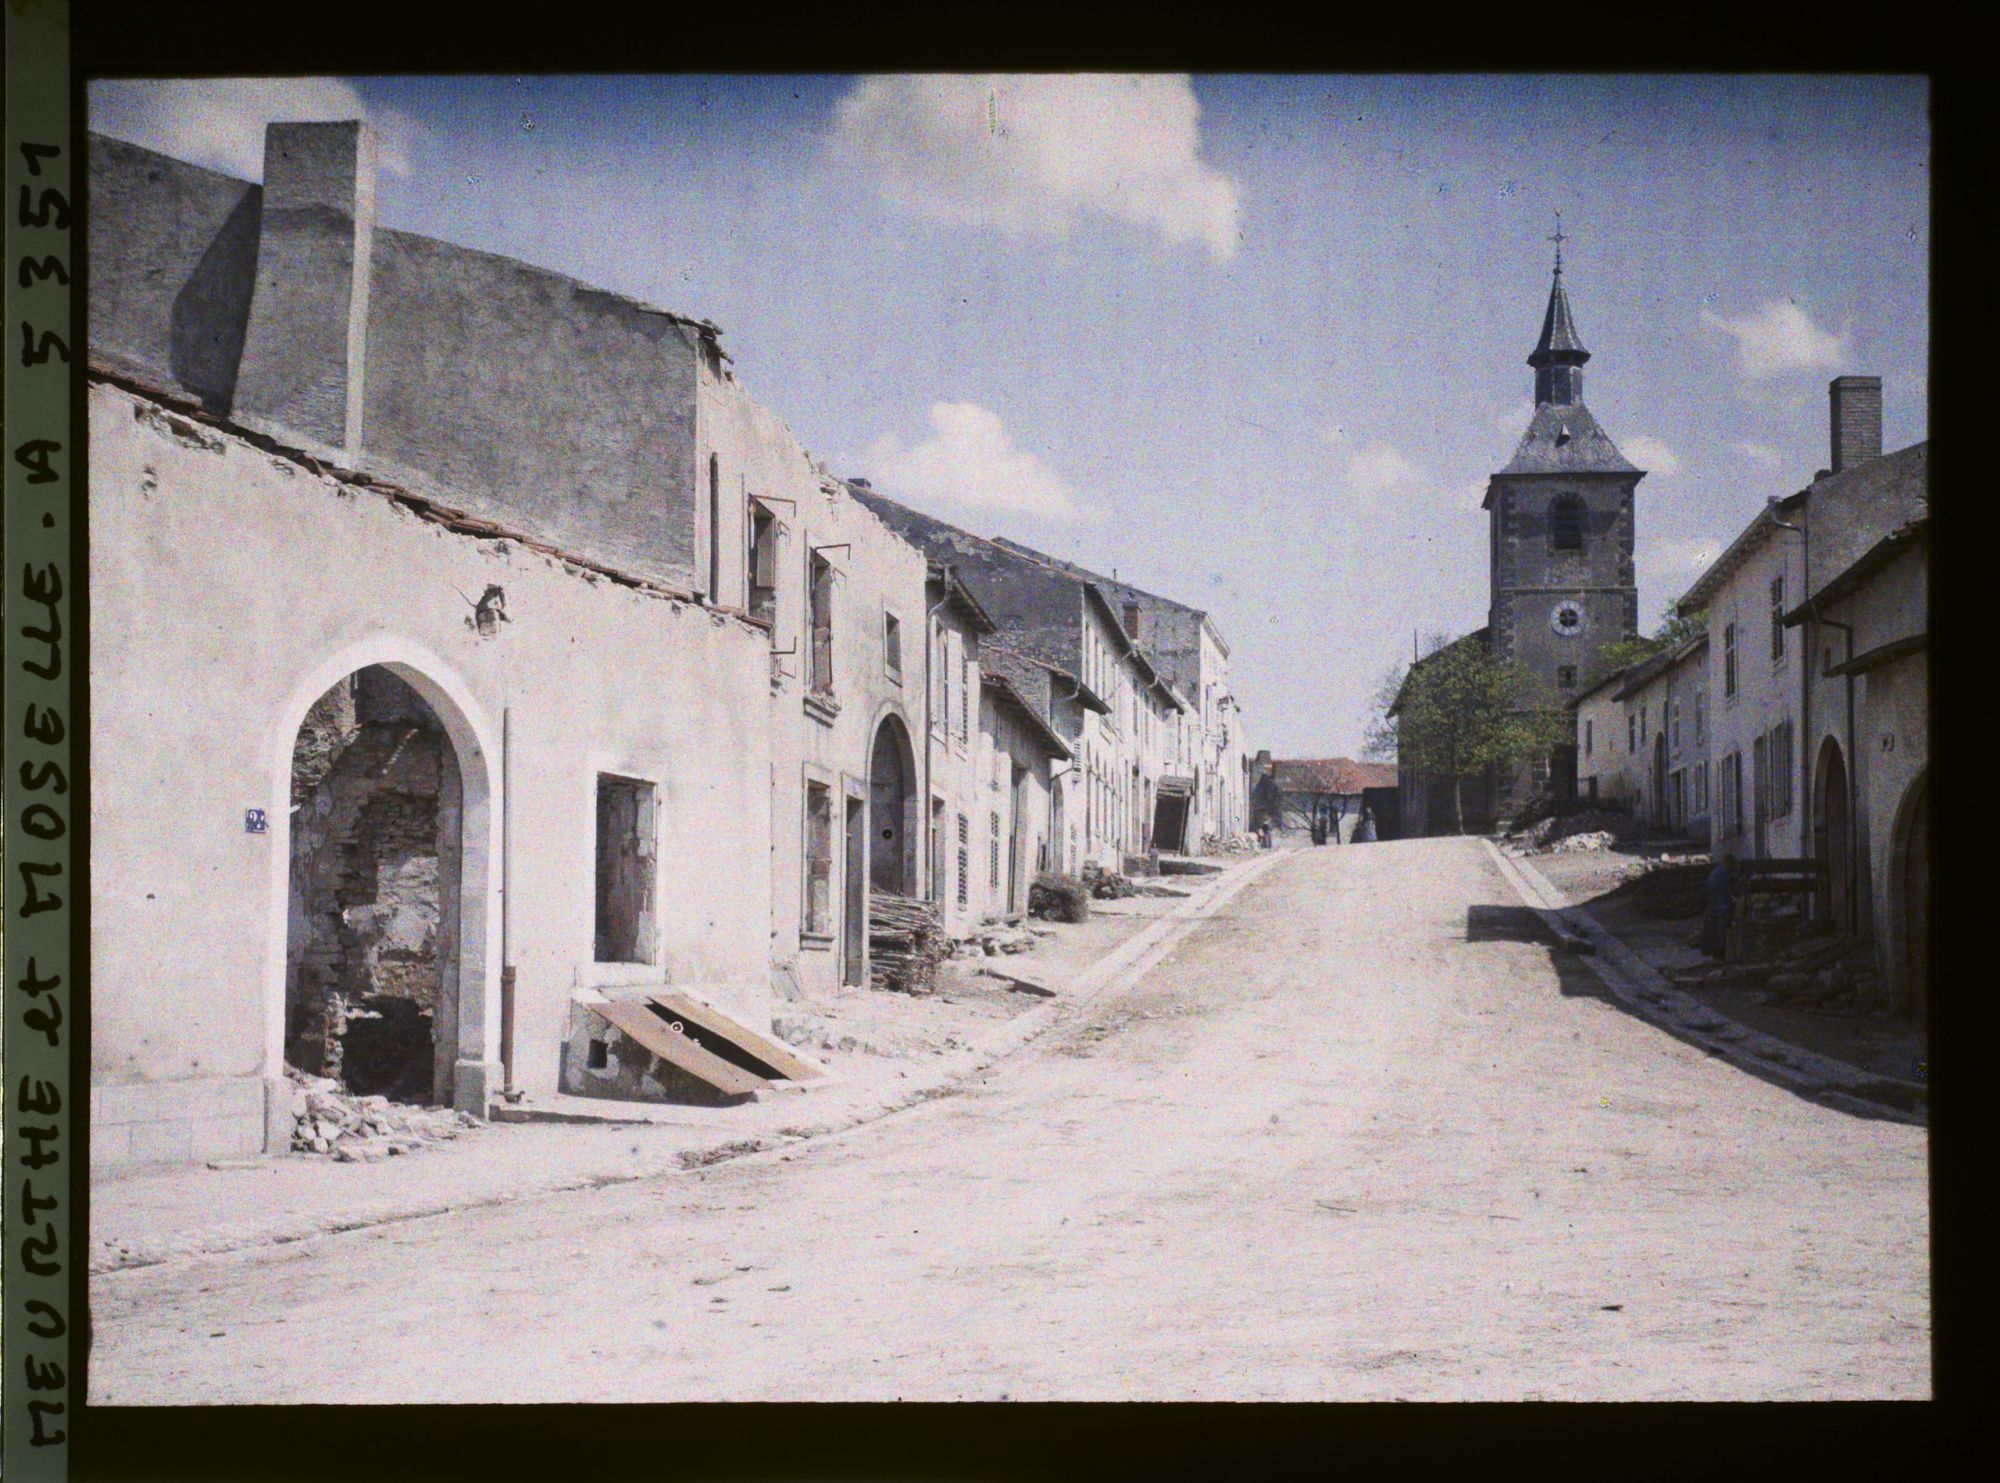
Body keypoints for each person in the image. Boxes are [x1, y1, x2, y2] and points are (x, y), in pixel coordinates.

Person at [1700, 851, 1736, 959]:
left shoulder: (1716, 872)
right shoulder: (1723, 874)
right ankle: (1721, 953)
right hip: (1722, 907)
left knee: (1716, 933)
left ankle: (1717, 953)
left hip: (1714, 906)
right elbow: (1727, 891)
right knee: (1722, 932)